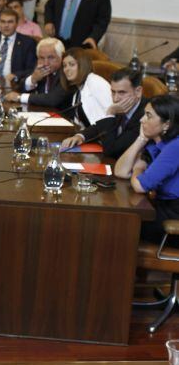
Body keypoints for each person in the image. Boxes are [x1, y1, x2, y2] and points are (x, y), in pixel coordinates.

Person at [114, 94, 179, 244]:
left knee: (121, 224)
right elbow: (121, 171)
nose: (141, 120)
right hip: (161, 206)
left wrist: (138, 169)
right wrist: (141, 139)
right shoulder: (156, 143)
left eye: (148, 116)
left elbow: (140, 186)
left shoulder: (175, 147)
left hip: (173, 217)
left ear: (166, 124)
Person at [61, 68, 146, 157]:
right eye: (113, 92)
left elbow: (112, 151)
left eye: (122, 92)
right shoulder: (123, 107)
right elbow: (99, 127)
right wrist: (80, 136)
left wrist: (110, 113)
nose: (115, 99)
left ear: (138, 91)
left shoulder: (145, 115)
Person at [4, 37, 67, 108]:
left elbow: (52, 99)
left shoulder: (66, 72)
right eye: (42, 58)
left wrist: (20, 97)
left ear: (62, 57)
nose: (46, 63)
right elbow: (18, 89)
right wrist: (33, 79)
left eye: (51, 57)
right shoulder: (40, 68)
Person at [59, 47, 112, 126]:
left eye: (72, 64)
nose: (67, 69)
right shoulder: (77, 92)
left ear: (83, 65)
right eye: (64, 66)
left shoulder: (95, 81)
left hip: (103, 132)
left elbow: (112, 114)